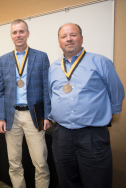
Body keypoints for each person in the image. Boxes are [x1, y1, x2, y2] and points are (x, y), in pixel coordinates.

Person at [48, 23, 124, 188]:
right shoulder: (53, 67)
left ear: (81, 38)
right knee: (67, 181)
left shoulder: (101, 62)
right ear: (59, 42)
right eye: (64, 36)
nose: (68, 39)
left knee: (97, 182)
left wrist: (109, 113)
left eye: (73, 35)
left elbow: (116, 91)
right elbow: (50, 94)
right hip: (62, 135)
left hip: (92, 135)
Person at [0, 19, 51, 188]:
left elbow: (46, 88)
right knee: (14, 163)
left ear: (28, 34)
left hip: (33, 115)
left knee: (41, 163)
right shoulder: (3, 60)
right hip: (11, 116)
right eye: (15, 32)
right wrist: (0, 117)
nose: (18, 35)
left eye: (21, 31)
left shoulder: (41, 57)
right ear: (11, 36)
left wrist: (47, 115)